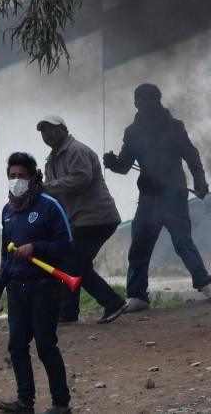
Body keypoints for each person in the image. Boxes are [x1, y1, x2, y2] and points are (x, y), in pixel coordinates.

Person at [103, 83, 211, 312]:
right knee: (139, 246)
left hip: (174, 196)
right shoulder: (132, 132)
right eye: (140, 101)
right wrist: (113, 163)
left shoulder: (173, 127)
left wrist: (200, 182)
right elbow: (125, 166)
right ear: (135, 103)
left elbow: (192, 156)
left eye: (149, 102)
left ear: (158, 102)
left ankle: (205, 283)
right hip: (147, 198)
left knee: (182, 243)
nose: (144, 106)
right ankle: (137, 295)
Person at [0, 152, 73, 414]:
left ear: (33, 177)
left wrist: (36, 247)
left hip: (43, 287)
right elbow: (6, 256)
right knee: (16, 346)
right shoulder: (8, 211)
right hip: (16, 289)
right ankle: (25, 402)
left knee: (46, 346)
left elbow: (66, 245)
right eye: (12, 176)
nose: (16, 180)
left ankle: (61, 404)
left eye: (21, 176)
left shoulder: (49, 206)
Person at [37, 115, 128, 324]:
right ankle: (79, 310)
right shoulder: (52, 160)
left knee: (72, 263)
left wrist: (46, 188)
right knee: (77, 265)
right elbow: (54, 193)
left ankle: (101, 305)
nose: (47, 134)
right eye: (43, 131)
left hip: (96, 219)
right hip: (80, 221)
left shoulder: (76, 150)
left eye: (51, 129)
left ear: (64, 129)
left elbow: (81, 179)